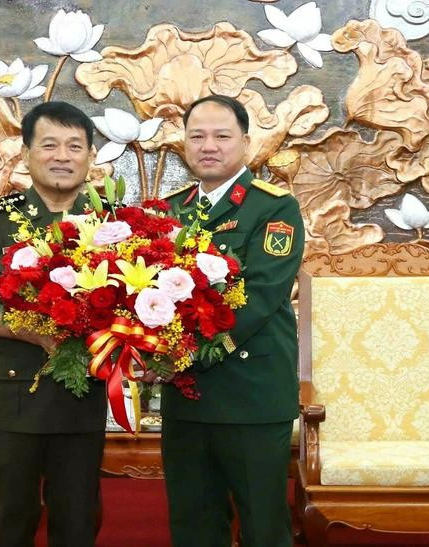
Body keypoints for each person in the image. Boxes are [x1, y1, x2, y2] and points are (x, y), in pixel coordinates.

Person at [0, 101, 107, 547]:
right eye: (49, 144)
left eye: (75, 146)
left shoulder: (112, 223)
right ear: (25, 154)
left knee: (79, 521)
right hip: (12, 398)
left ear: (90, 156)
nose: (62, 156)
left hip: (82, 398)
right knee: (11, 520)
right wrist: (37, 332)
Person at [159, 94, 305, 547]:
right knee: (193, 523)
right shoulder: (168, 211)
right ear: (184, 143)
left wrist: (179, 353)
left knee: (263, 527)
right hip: (187, 396)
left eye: (222, 136)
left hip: (251, 393)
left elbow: (259, 297)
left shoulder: (274, 208)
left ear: (244, 142)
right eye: (197, 136)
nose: (209, 146)